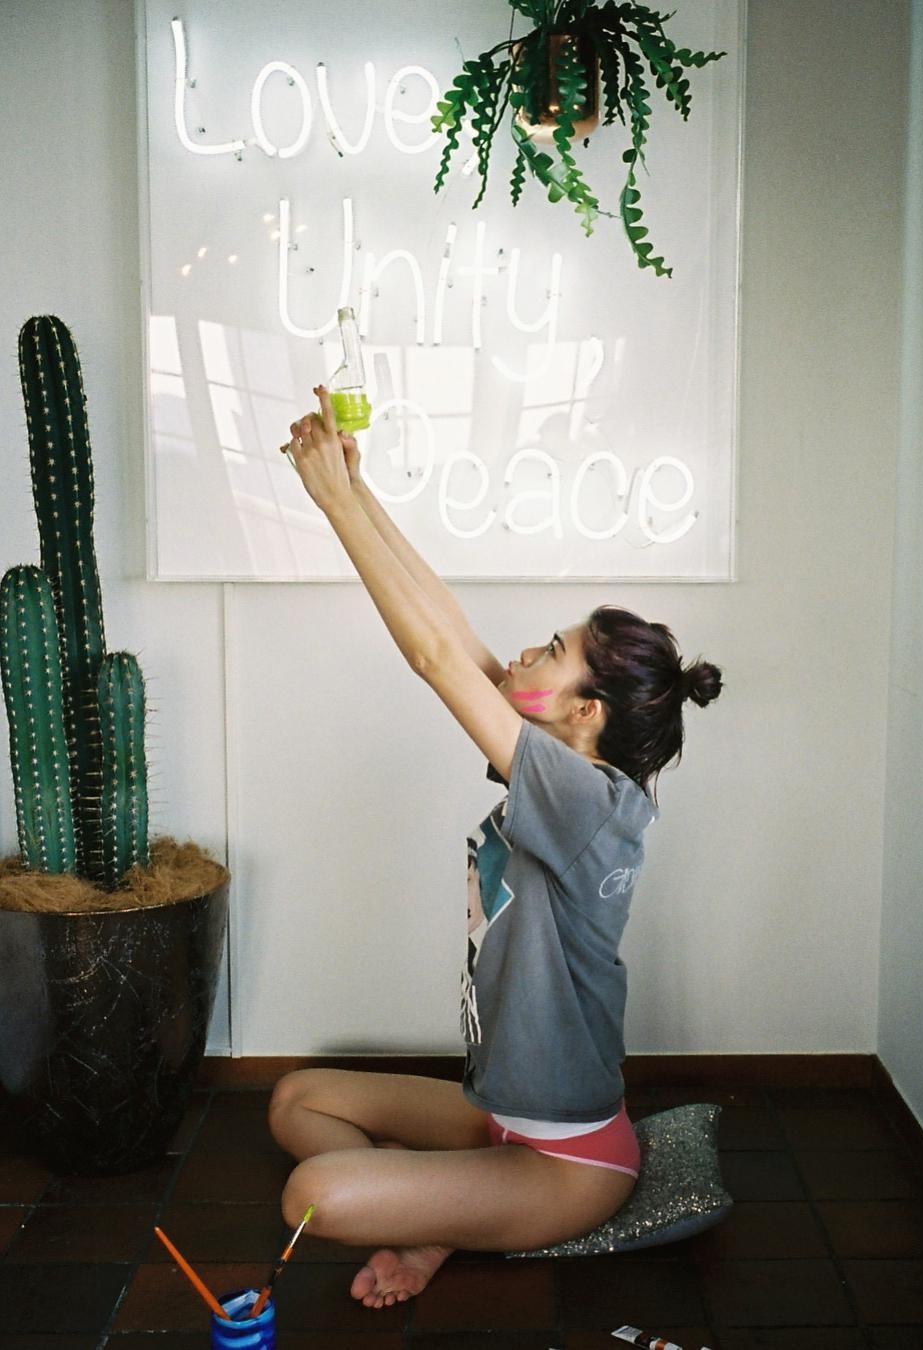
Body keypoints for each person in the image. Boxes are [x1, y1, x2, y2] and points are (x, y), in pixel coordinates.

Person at [268, 387, 724, 1309]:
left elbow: (435, 659)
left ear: (584, 710)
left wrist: (333, 507)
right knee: (295, 1101)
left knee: (312, 1194)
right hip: (498, 1117)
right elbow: (451, 632)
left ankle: (438, 1212)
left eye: (550, 651)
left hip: (568, 1163)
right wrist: (360, 490)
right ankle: (444, 1204)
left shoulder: (590, 802)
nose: (523, 653)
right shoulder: (560, 768)